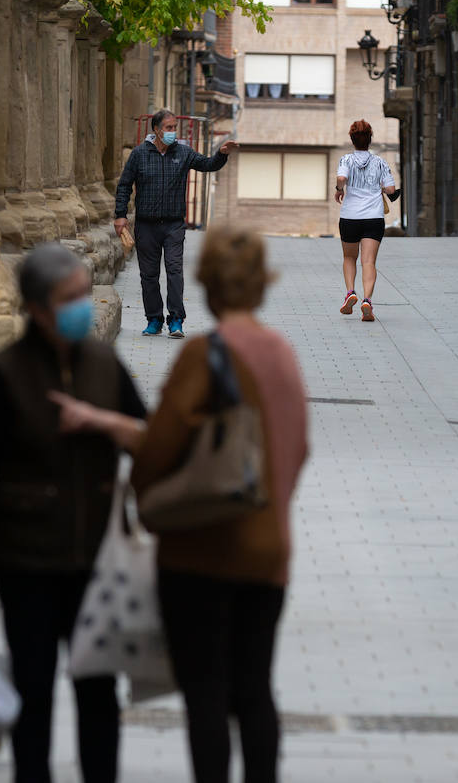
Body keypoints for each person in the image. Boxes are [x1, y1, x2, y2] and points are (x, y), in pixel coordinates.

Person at [0, 243, 149, 783]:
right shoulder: (4, 373)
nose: (82, 307)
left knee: (98, 690)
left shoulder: (104, 365)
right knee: (34, 688)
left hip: (96, 555)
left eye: (84, 296)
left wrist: (101, 422)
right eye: (70, 299)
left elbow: (151, 438)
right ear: (38, 308)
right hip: (25, 559)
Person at [131, 227, 309, 783]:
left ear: (206, 285)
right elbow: (298, 448)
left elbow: (158, 451)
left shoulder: (203, 356)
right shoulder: (282, 354)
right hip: (266, 552)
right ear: (261, 285)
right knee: (255, 689)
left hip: (202, 555)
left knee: (207, 692)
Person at [114, 109, 239, 340]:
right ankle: (153, 319)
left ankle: (176, 319)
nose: (173, 132)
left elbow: (208, 164)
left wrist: (222, 154)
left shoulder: (183, 152)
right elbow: (124, 185)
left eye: (174, 128)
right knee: (149, 275)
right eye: (169, 128)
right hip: (146, 225)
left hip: (173, 225)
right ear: (156, 130)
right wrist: (120, 215)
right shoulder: (139, 155)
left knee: (174, 270)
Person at [334, 119, 399, 322]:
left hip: (350, 217)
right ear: (370, 139)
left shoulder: (346, 160)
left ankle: (350, 292)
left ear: (352, 140)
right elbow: (390, 190)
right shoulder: (380, 162)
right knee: (369, 261)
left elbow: (341, 178)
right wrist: (378, 187)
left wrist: (339, 189)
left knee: (349, 258)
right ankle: (367, 301)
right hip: (373, 218)